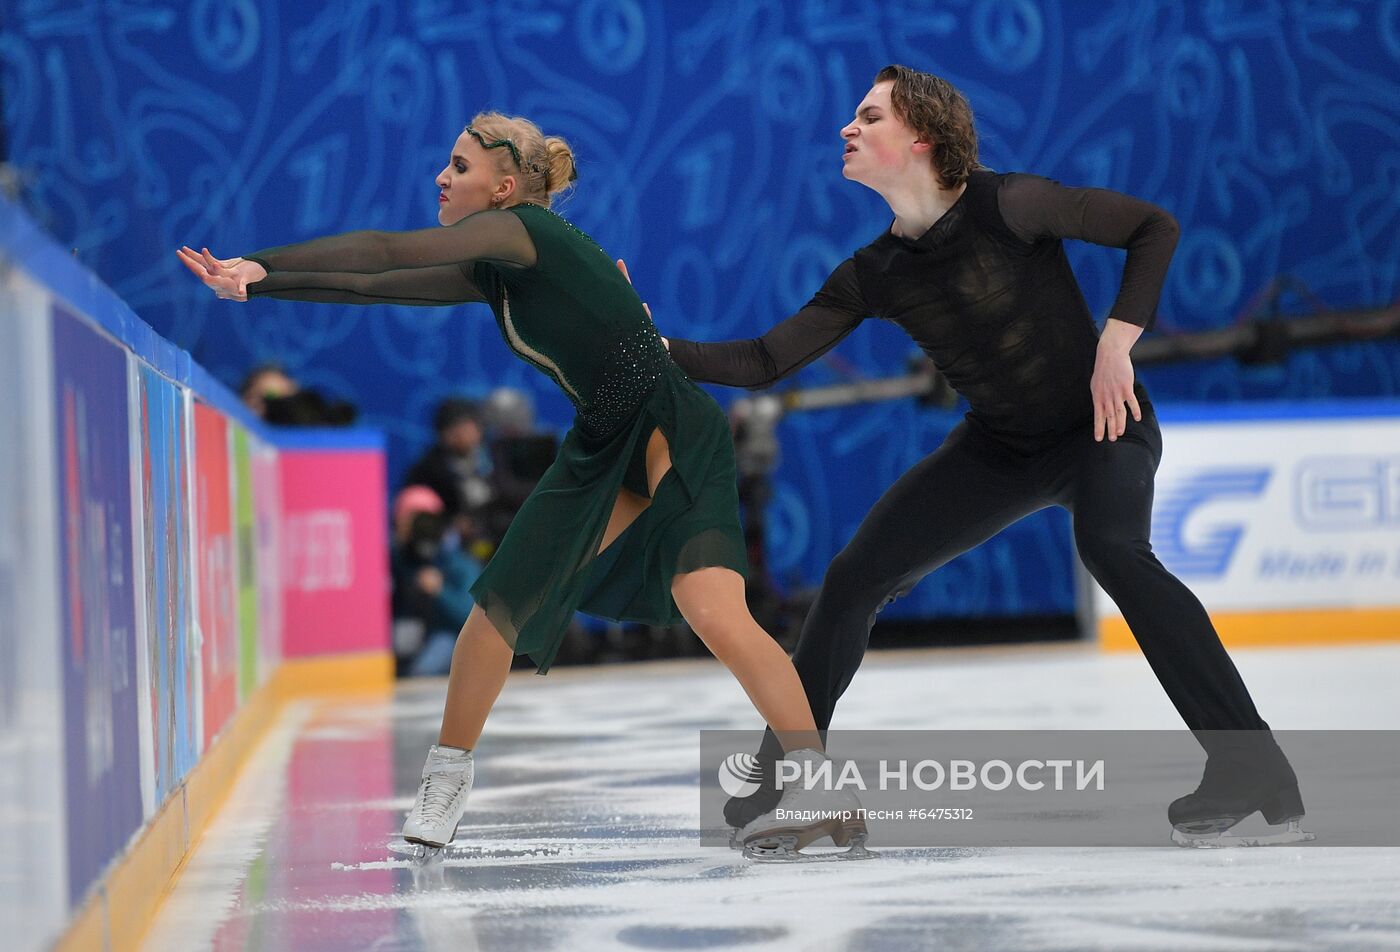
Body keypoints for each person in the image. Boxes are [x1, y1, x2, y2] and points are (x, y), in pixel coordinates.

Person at [176, 112, 865, 860]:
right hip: (602, 442)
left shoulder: (522, 232)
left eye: (459, 166)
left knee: (714, 611)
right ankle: (446, 779)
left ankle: (819, 786)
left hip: (669, 425)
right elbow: (376, 286)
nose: (442, 177)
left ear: (504, 188)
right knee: (496, 611)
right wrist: (262, 282)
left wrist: (259, 263)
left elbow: (385, 250)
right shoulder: (496, 268)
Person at [656, 65, 1306, 848]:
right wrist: (653, 346)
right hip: (1000, 448)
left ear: (922, 138)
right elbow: (763, 360)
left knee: (1113, 548)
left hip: (1101, 426)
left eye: (870, 116)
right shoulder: (874, 272)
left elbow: (1153, 227)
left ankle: (1250, 765)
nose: (848, 128)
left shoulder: (1012, 203)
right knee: (854, 579)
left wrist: (1116, 344)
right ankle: (787, 774)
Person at [389, 485, 483, 677]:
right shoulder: (397, 560)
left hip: (449, 635)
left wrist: (440, 590)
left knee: (423, 669)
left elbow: (470, 615)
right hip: (407, 631)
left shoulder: (459, 563)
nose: (418, 529)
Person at [403, 397, 506, 557]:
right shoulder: (428, 469)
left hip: (498, 538)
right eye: (456, 428)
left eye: (470, 426)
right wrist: (452, 525)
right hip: (451, 549)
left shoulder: (496, 458)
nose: (464, 434)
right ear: (444, 434)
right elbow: (419, 522)